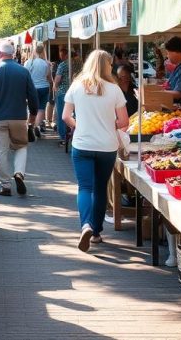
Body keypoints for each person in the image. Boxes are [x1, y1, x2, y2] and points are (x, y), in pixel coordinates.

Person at [61, 50, 128, 249]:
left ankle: (86, 225)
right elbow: (124, 121)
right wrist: (107, 125)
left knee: (85, 187)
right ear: (107, 66)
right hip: (107, 146)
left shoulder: (76, 86)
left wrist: (79, 125)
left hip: (82, 144)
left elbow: (65, 116)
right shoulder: (114, 89)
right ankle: (97, 232)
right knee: (100, 188)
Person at [0, 41, 39, 196]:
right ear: (13, 54)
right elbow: (33, 96)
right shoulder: (24, 71)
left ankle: (5, 185)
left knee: (0, 151)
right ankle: (19, 172)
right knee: (21, 146)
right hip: (19, 117)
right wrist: (32, 115)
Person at [24, 43, 53, 136]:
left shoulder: (28, 62)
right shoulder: (46, 63)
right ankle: (36, 126)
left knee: (31, 108)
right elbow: (49, 78)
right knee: (41, 108)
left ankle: (30, 126)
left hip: (32, 88)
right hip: (44, 87)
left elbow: (25, 76)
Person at [53, 47, 78, 146]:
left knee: (62, 115)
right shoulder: (78, 64)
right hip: (77, 92)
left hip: (63, 93)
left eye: (62, 55)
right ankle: (75, 133)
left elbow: (58, 79)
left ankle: (64, 137)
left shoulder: (63, 65)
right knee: (76, 115)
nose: (61, 57)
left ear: (67, 55)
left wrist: (54, 86)